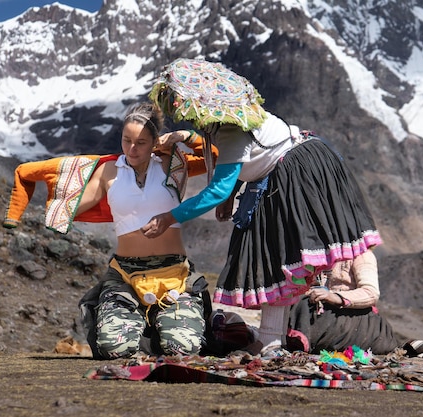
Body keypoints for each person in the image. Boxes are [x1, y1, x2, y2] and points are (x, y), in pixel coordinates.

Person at [142, 58, 383, 356]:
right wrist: (192, 144)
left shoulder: (233, 131)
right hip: (292, 168)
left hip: (295, 177)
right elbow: (243, 159)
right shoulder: (233, 120)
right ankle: (271, 339)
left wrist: (169, 217)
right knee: (275, 256)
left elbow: (218, 189)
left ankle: (270, 340)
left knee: (278, 256)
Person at [3, 102, 218, 359]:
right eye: (126, 140)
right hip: (125, 274)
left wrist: (186, 136)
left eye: (140, 142)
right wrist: (59, 206)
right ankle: (134, 326)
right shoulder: (109, 170)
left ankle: (161, 328)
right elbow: (79, 200)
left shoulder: (174, 164)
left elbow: (217, 158)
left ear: (154, 142)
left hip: (175, 275)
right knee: (114, 349)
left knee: (184, 349)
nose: (132, 148)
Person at [286, 250, 404, 354]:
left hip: (355, 319)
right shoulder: (316, 253)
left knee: (303, 306)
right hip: (324, 314)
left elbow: (370, 293)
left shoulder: (361, 254)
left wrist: (334, 297)